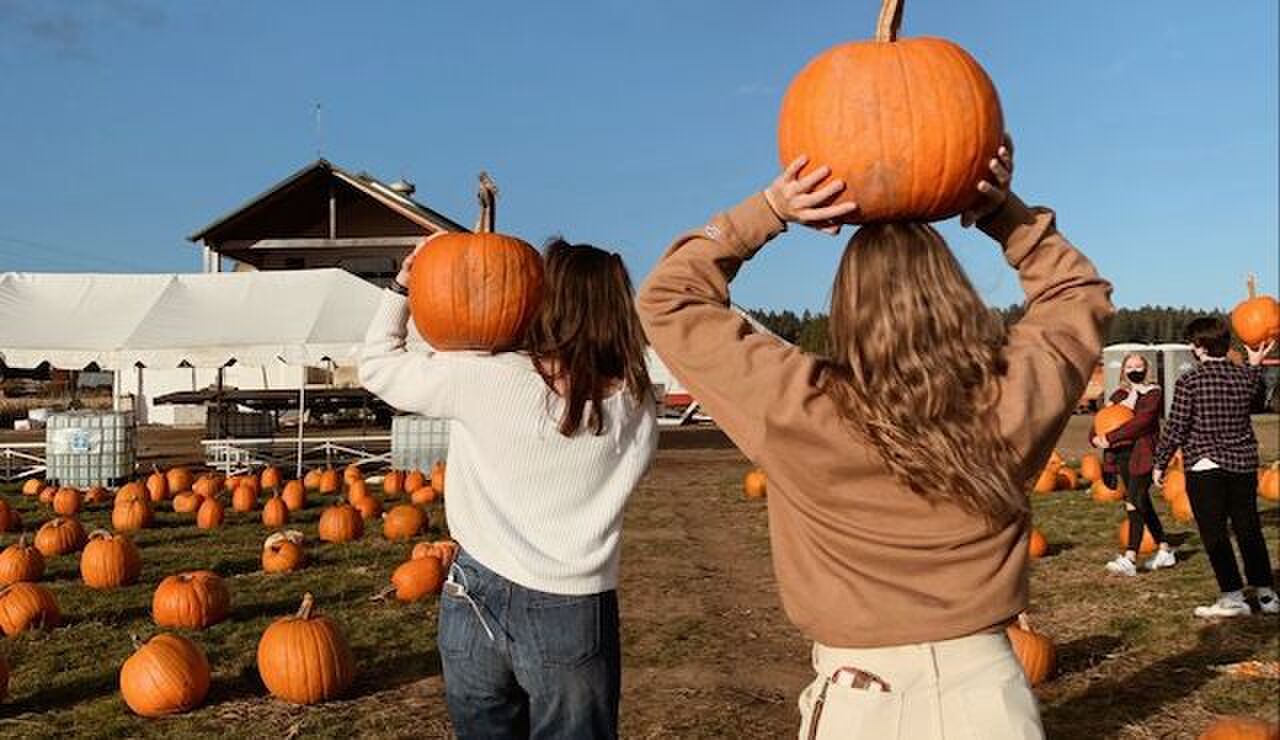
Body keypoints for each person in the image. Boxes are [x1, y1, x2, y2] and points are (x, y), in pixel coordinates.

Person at [637, 140, 1113, 740]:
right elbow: (1077, 294)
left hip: (862, 700)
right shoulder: (1011, 395)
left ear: (847, 306)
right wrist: (1003, 213)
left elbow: (667, 298)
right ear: (956, 296)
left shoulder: (798, 404)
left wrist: (771, 208)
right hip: (993, 695)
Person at [360, 237, 658, 739]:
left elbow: (376, 366)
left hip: (477, 591)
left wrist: (403, 287)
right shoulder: (637, 405)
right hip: (575, 607)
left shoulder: (487, 376)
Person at [1153, 319, 1277, 618]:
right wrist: (1255, 366)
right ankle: (1266, 595)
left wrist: (1160, 461)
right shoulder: (1244, 377)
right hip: (1243, 464)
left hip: (1205, 465)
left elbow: (1177, 426)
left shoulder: (1190, 381)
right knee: (1249, 530)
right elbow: (1259, 403)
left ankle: (1232, 597)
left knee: (1215, 533)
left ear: (1199, 347)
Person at [1092, 353, 1176, 575]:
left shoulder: (1153, 393)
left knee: (1134, 499)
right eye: (1129, 366)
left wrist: (1109, 437)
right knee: (1142, 501)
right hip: (1121, 455)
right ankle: (1165, 549)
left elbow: (1142, 422)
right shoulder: (1119, 394)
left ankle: (1130, 557)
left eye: (1139, 365)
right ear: (1123, 371)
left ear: (1147, 369)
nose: (1134, 369)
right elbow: (1104, 418)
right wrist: (1096, 436)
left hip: (1144, 453)